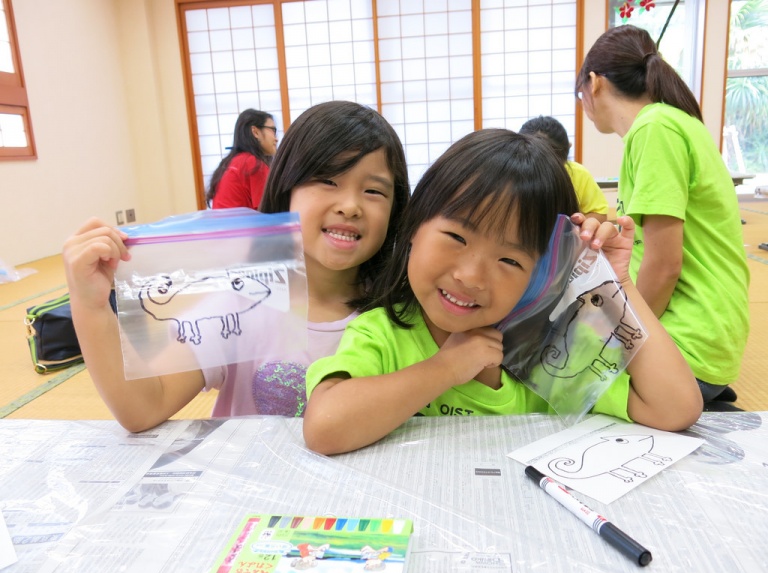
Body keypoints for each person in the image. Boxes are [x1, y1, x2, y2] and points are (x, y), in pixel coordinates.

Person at [303, 129, 703, 456]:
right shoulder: (383, 334)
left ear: (543, 273)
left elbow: (675, 406)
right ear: (413, 229)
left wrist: (618, 285)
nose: (471, 276)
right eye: (456, 236)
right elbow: (324, 427)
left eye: (510, 260)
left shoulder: (547, 351)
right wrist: (447, 368)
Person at [62, 101, 410, 432]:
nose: (350, 206)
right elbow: (144, 407)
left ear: (396, 211)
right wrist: (90, 305)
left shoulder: (401, 314)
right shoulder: (239, 303)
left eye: (373, 191)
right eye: (328, 181)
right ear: (286, 188)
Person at [575, 25, 750, 405]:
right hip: (708, 331)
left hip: (689, 338)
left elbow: (664, 263)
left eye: (580, 94)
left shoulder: (654, 129)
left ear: (594, 83)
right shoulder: (673, 122)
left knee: (560, 382)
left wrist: (624, 339)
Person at [519, 115, 609, 222]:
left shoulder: (578, 174)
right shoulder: (509, 175)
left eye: (553, 166)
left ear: (567, 150)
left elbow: (600, 214)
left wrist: (573, 225)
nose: (544, 172)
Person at [206, 109, 278, 210]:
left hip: (222, 224)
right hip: (238, 225)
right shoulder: (253, 164)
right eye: (273, 130)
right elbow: (267, 210)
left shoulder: (232, 161)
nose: (276, 138)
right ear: (255, 132)